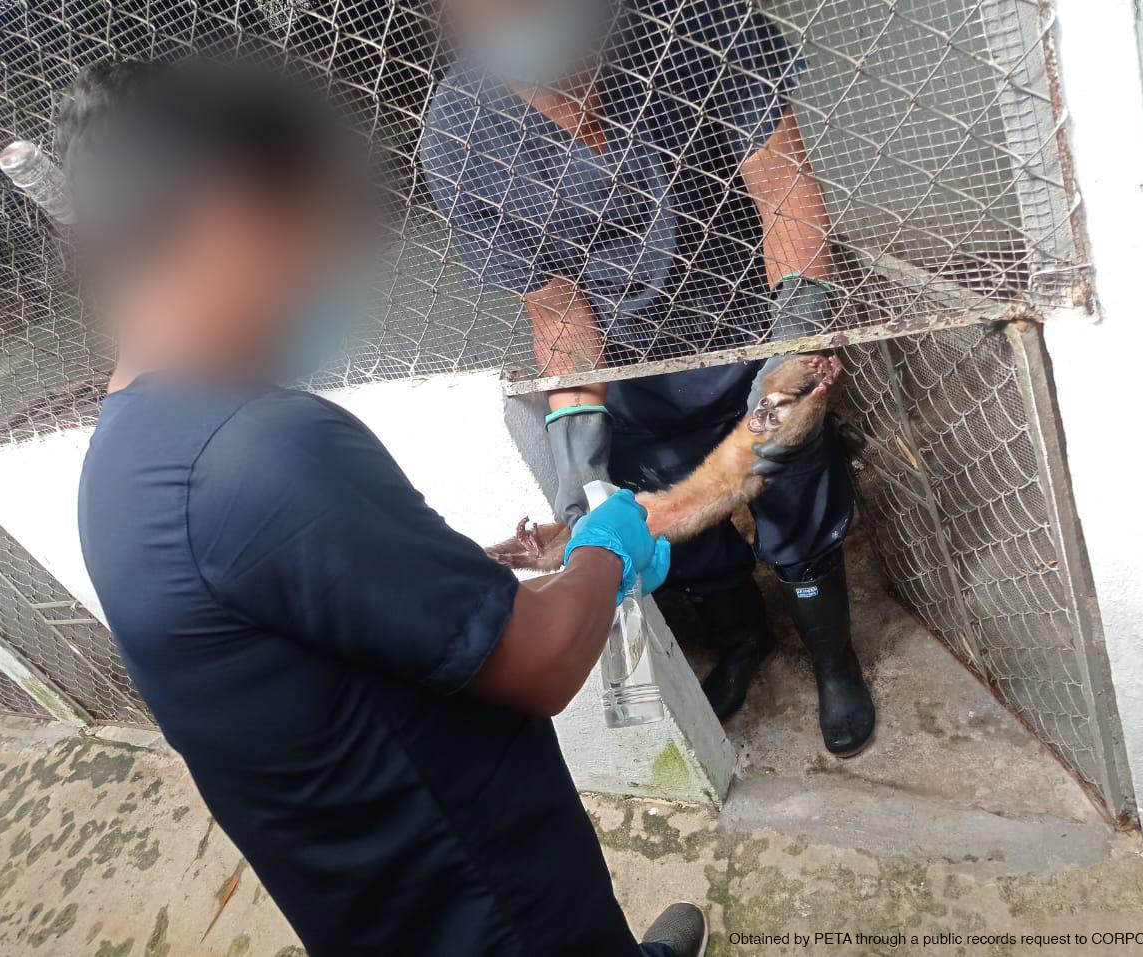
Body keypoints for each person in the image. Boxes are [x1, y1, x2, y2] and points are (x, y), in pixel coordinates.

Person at [66, 58, 706, 957]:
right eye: (317, 233)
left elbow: (315, 625)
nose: (327, 268)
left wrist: (462, 568)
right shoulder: (264, 450)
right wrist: (607, 546)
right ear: (238, 214)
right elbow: (542, 660)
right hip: (491, 906)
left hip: (383, 911)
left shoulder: (125, 454)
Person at [421, 0, 875, 753]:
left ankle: (834, 659)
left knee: (797, 490)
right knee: (672, 526)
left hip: (753, 317)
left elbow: (784, 190)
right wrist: (580, 472)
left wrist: (794, 346)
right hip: (633, 363)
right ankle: (742, 641)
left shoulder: (699, 23)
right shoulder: (460, 133)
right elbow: (558, 312)